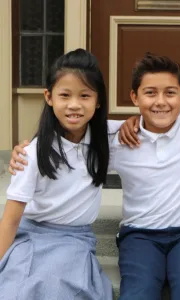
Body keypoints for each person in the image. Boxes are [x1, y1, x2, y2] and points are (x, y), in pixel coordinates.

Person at [8, 53, 180, 300]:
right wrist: (26, 150)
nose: (160, 102)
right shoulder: (112, 140)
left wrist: (179, 109)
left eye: (170, 93)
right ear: (134, 97)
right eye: (150, 93)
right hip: (138, 235)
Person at [0, 48, 118, 300]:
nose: (74, 105)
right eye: (64, 95)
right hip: (30, 234)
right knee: (15, 289)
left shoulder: (108, 138)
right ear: (49, 97)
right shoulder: (32, 154)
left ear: (98, 101)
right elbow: (10, 220)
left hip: (74, 239)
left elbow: (162, 117)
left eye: (85, 95)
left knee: (58, 288)